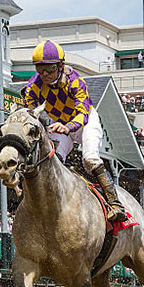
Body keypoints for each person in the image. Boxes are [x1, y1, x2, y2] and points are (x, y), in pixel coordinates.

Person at [22, 40, 126, 223]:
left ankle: (115, 204)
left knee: (90, 159)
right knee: (53, 161)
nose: (44, 74)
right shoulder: (34, 85)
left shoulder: (75, 81)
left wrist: (67, 127)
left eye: (50, 69)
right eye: (40, 69)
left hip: (84, 122)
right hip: (58, 124)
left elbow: (82, 115)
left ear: (60, 66)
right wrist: (47, 123)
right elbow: (32, 111)